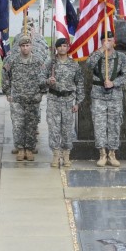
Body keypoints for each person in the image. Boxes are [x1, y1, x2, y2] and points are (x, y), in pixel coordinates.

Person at [87, 32, 126, 167]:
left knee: (114, 125)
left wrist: (114, 83)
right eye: (105, 40)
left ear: (114, 42)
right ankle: (102, 154)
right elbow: (89, 65)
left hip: (115, 96)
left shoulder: (121, 57)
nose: (107, 43)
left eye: (110, 40)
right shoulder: (97, 55)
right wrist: (101, 51)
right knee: (99, 125)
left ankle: (112, 153)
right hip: (98, 96)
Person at [2, 34, 47, 161]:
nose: (25, 48)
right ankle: (20, 149)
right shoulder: (13, 60)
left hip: (33, 99)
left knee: (31, 125)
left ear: (31, 46)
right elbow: (6, 76)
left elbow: (43, 77)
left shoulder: (38, 61)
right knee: (18, 125)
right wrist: (8, 93)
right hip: (17, 99)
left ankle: (29, 148)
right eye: (23, 46)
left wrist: (41, 93)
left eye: (27, 45)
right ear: (19, 47)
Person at [44, 37, 84, 167]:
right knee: (54, 129)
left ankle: (66, 155)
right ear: (56, 48)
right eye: (60, 46)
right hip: (54, 99)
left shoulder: (74, 65)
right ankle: (56, 155)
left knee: (67, 129)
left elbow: (80, 84)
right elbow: (40, 78)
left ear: (68, 48)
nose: (62, 48)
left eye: (65, 46)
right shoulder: (50, 63)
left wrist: (77, 102)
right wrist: (47, 81)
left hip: (68, 100)